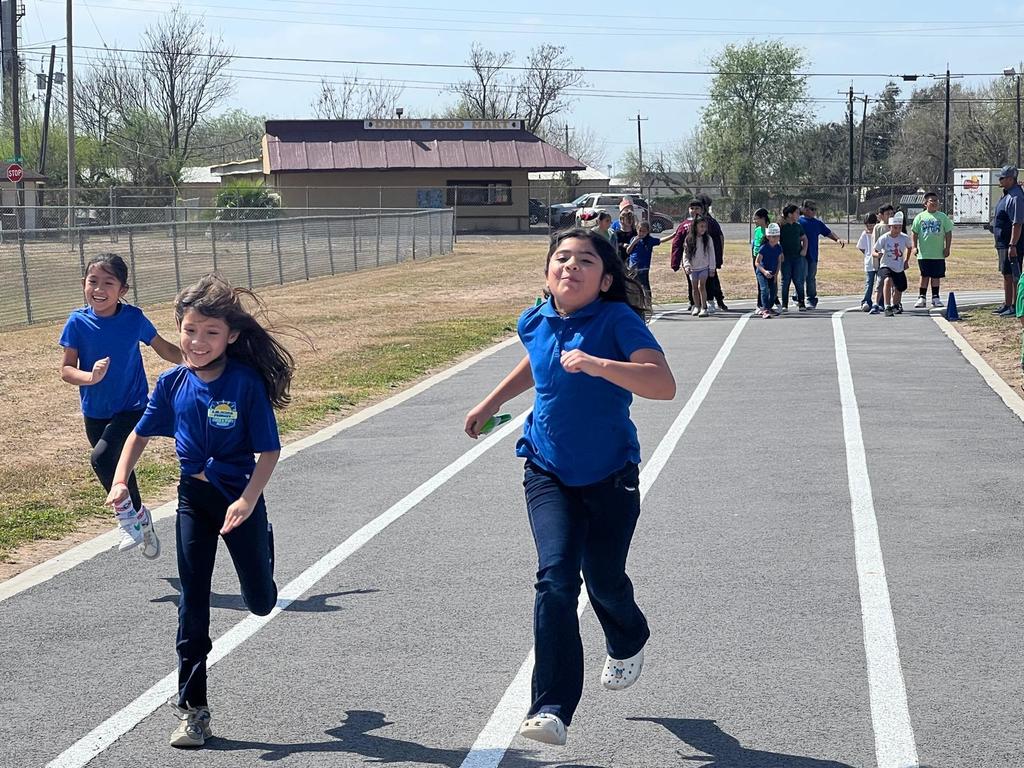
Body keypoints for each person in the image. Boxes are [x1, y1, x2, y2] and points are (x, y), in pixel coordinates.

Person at [463, 228, 675, 748]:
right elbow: (536, 363)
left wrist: (599, 365)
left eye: (585, 261)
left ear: (604, 281)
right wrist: (491, 401)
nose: (571, 267)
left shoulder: (617, 320)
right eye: (562, 258)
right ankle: (551, 707)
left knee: (603, 579)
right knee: (556, 578)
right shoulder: (534, 318)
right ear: (547, 274)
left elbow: (662, 385)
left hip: (610, 473)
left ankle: (628, 636)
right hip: (546, 468)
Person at [106, 273, 294, 749]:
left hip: (241, 499)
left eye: (211, 332)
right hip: (194, 499)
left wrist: (249, 501)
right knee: (193, 601)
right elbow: (138, 435)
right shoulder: (171, 383)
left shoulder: (245, 383)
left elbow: (269, 452)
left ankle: (263, 548)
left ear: (231, 335)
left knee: (261, 603)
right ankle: (194, 710)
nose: (198, 341)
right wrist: (120, 479)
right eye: (190, 330)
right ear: (179, 329)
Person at [59, 253, 181, 555]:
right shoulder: (77, 322)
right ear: (83, 284)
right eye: (93, 282)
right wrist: (90, 376)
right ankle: (140, 516)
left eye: (108, 283)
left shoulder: (133, 318)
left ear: (122, 290)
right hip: (95, 411)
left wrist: (201, 361)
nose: (99, 289)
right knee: (118, 467)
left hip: (133, 406)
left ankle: (127, 521)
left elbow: (164, 348)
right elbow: (66, 370)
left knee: (101, 459)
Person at [988, 166, 1024, 317]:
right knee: (1006, 273)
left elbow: (1017, 222)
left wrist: (1012, 244)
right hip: (1002, 242)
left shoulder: (1016, 196)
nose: (1000, 180)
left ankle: (1015, 306)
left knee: (1013, 274)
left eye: (1002, 178)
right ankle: (1007, 303)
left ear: (1010, 179)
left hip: (1012, 243)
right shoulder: (1007, 194)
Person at [797, 199, 845, 308]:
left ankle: (811, 299)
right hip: (801, 254)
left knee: (811, 277)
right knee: (801, 276)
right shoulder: (799, 221)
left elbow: (827, 232)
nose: (814, 212)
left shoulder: (817, 223)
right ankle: (798, 297)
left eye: (815, 209)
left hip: (813, 255)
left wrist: (837, 239)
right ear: (804, 209)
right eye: (811, 209)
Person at [911, 191, 954, 308]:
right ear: (925, 203)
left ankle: (935, 297)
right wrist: (914, 247)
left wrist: (947, 248)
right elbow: (914, 233)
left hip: (938, 253)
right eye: (931, 201)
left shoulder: (942, 217)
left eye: (936, 201)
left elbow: (948, 233)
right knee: (924, 275)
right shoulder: (920, 217)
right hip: (924, 254)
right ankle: (921, 297)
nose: (934, 203)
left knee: (936, 276)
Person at [669, 198, 706, 313]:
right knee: (692, 283)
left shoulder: (706, 223)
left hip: (704, 261)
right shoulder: (684, 225)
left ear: (702, 210)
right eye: (692, 208)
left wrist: (716, 260)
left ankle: (708, 302)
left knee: (704, 284)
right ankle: (694, 303)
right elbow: (677, 243)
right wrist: (675, 262)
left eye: (697, 208)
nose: (694, 210)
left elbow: (714, 241)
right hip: (690, 261)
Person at [874, 212, 911, 316]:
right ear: (889, 227)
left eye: (899, 228)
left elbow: (909, 247)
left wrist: (906, 260)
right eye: (895, 228)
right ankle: (887, 306)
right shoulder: (884, 238)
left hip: (898, 267)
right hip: (886, 265)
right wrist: (877, 254)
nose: (897, 230)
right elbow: (874, 250)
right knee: (887, 280)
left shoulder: (904, 237)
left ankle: (895, 305)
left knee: (900, 287)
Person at [699, 194, 728, 311]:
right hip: (699, 256)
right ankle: (697, 302)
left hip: (710, 255)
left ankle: (717, 300)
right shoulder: (695, 222)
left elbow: (720, 237)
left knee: (712, 277)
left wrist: (719, 254)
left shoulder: (710, 222)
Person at [684, 215, 716, 317]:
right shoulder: (689, 239)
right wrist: (687, 265)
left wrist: (712, 267)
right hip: (693, 268)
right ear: (695, 227)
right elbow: (685, 254)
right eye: (701, 226)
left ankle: (704, 307)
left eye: (704, 226)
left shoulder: (708, 239)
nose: (703, 229)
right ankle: (696, 306)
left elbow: (712, 253)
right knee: (694, 288)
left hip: (704, 267)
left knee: (701, 286)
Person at [779, 204, 809, 312]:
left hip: (797, 258)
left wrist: (804, 250)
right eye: (796, 213)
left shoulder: (798, 226)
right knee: (785, 281)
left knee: (798, 281)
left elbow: (804, 238)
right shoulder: (781, 226)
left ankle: (801, 303)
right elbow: (776, 240)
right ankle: (784, 305)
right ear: (789, 214)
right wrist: (780, 253)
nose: (798, 215)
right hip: (785, 258)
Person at [870, 204, 896, 314]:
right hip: (883, 261)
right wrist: (877, 256)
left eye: (892, 214)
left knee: (895, 283)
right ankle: (876, 304)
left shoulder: (895, 226)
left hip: (894, 260)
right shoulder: (878, 227)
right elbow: (875, 244)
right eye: (887, 214)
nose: (890, 216)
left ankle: (894, 303)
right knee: (880, 282)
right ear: (881, 215)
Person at [626, 220, 661, 298]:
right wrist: (634, 242)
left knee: (645, 286)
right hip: (633, 268)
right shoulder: (634, 239)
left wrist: (674, 235)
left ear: (648, 231)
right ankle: (635, 303)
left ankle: (648, 303)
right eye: (640, 231)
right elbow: (628, 251)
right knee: (633, 286)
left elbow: (660, 240)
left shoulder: (649, 240)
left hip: (643, 268)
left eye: (644, 231)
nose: (641, 233)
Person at [755, 223, 783, 319]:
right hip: (762, 272)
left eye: (777, 236)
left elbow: (779, 261)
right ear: (768, 237)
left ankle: (769, 307)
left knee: (774, 291)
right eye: (773, 236)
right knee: (764, 289)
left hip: (773, 272)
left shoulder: (778, 248)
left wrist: (776, 275)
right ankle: (765, 309)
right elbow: (757, 262)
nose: (775, 238)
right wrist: (764, 272)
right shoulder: (764, 248)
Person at [857, 213, 880, 312]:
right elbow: (861, 247)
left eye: (872, 225)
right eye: (868, 225)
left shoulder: (879, 233)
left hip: (879, 262)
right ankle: (866, 301)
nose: (870, 227)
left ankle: (880, 302)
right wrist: (867, 254)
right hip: (869, 262)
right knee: (869, 282)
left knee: (880, 283)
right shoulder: (864, 234)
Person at [751, 208, 770, 312]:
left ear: (763, 218)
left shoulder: (769, 230)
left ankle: (771, 303)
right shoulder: (757, 230)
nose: (755, 221)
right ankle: (760, 304)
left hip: (766, 258)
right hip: (757, 258)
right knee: (760, 283)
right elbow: (755, 244)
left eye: (756, 218)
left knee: (769, 283)